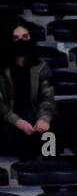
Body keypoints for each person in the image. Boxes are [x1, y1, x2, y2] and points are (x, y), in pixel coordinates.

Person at [0, 21, 55, 158]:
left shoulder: (41, 67)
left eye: (25, 37)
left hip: (34, 118)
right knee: (24, 146)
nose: (21, 41)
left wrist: (44, 119)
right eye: (16, 38)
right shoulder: (1, 68)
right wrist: (17, 122)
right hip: (8, 122)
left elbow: (47, 98)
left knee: (51, 141)